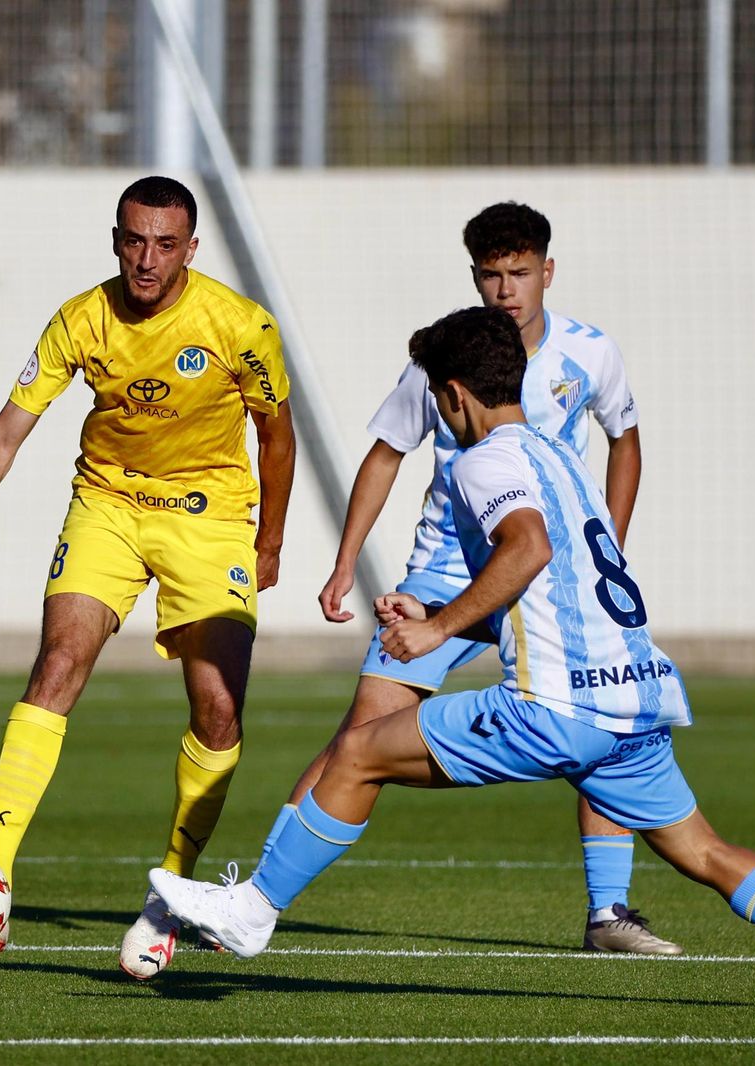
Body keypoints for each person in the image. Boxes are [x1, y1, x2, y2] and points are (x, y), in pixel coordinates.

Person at [149, 307, 755, 1014]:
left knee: (356, 754)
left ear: (452, 394)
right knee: (705, 851)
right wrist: (442, 615)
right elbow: (552, 583)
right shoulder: (559, 456)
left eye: (441, 402)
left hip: (556, 707)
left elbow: (528, 548)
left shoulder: (481, 461)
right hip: (634, 697)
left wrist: (439, 627)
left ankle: (251, 913)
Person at [0, 175, 296, 976]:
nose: (146, 259)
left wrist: (270, 538)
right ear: (115, 238)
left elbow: (276, 432)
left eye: (165, 244)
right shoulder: (82, 319)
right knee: (57, 664)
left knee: (219, 710)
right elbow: (7, 433)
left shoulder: (240, 325)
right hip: (108, 508)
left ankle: (170, 898)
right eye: (133, 240)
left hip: (212, 517)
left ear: (192, 248)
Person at [290, 201, 674, 954]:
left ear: (547, 273)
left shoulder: (590, 354)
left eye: (520, 273)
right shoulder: (449, 353)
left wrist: (611, 550)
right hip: (445, 574)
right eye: (492, 275)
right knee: (359, 737)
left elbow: (625, 441)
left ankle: (608, 915)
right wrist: (343, 560)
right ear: (475, 276)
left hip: (549, 581)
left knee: (613, 727)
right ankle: (250, 894)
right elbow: (386, 452)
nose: (506, 290)